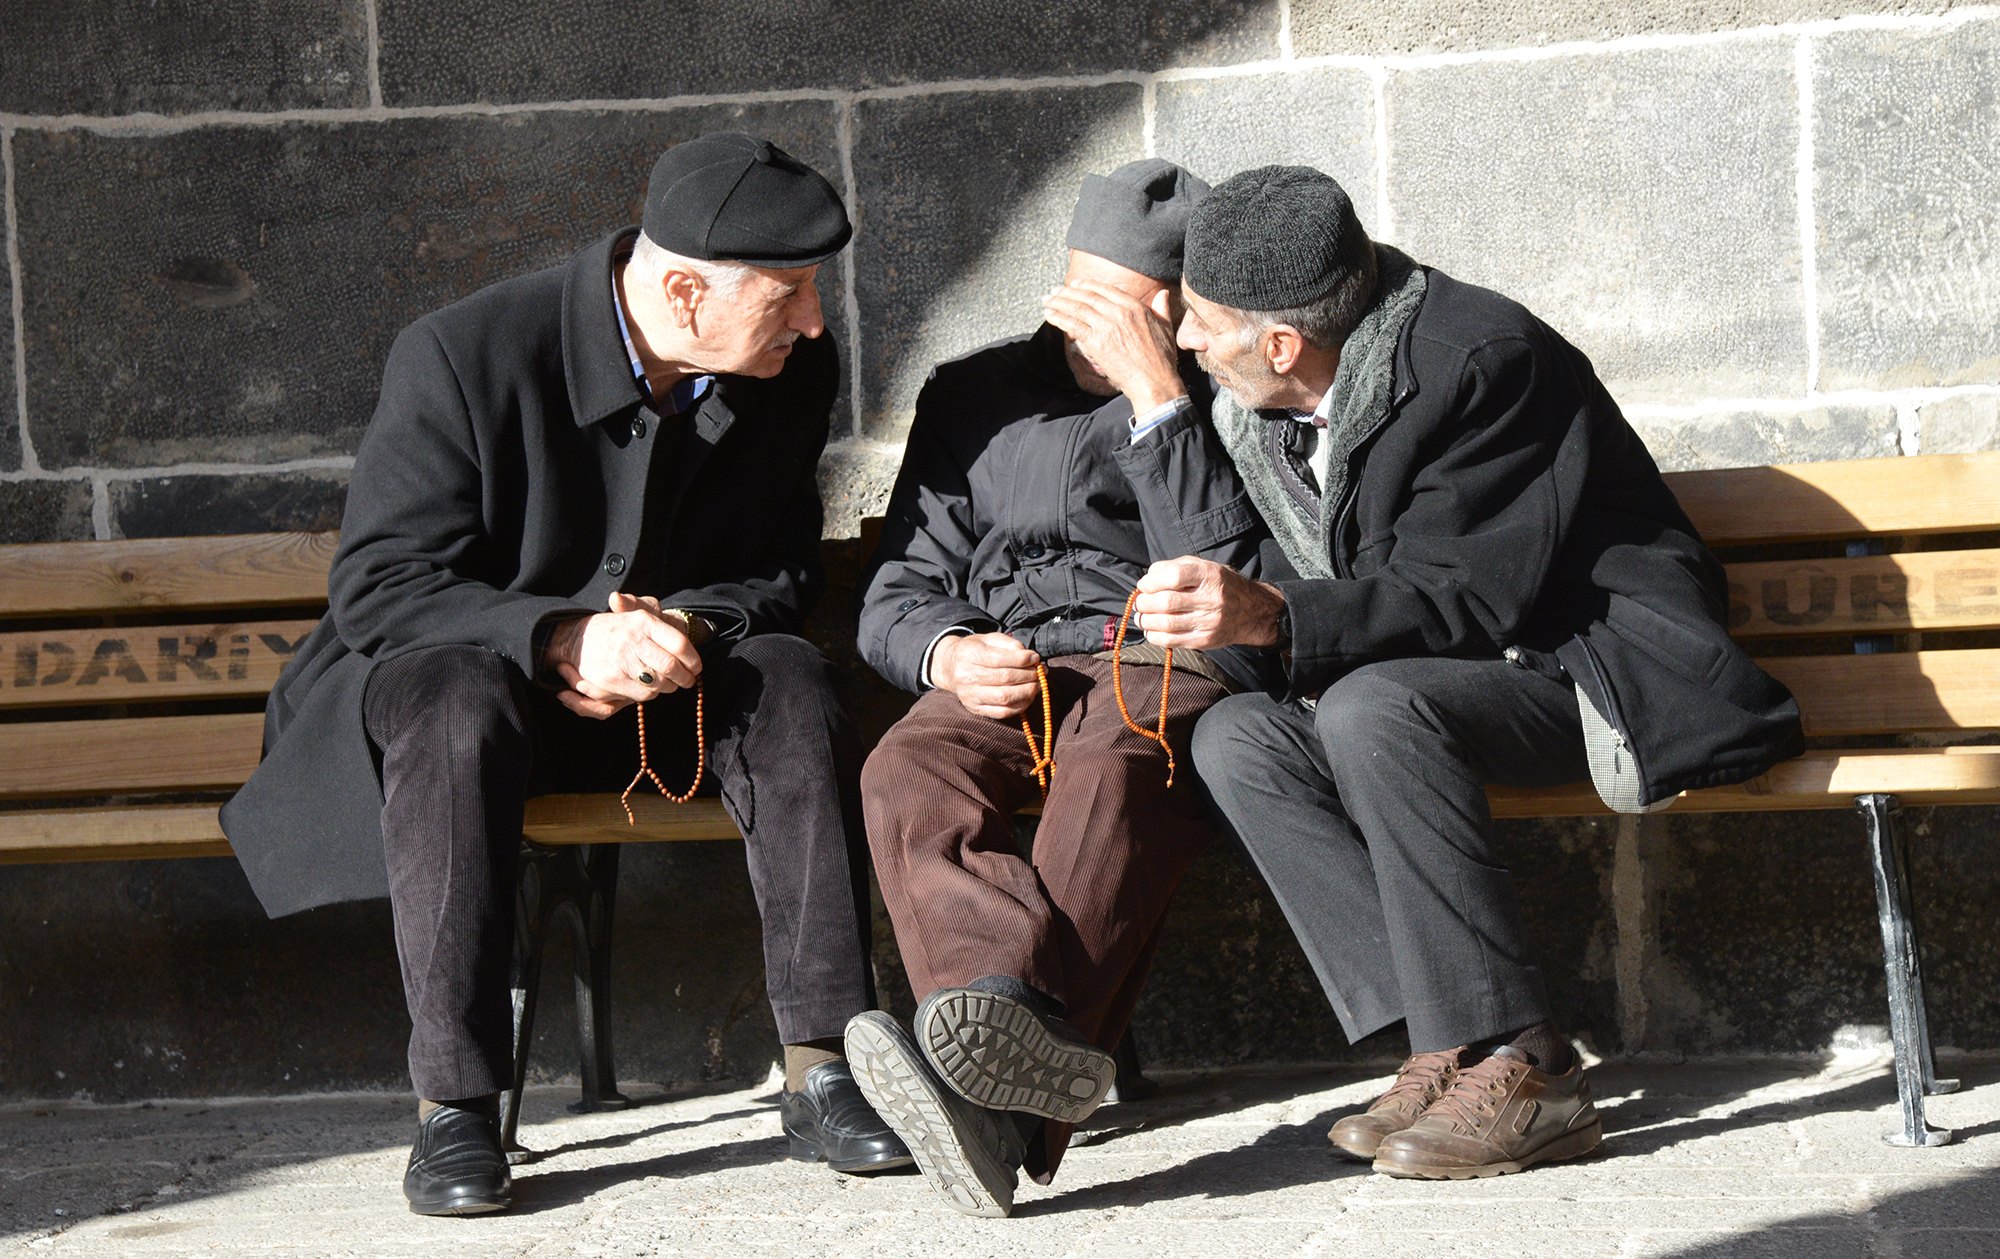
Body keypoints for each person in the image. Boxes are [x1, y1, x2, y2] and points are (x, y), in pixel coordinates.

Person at [219, 133, 910, 1216]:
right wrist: (558, 637)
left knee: (791, 681)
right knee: (454, 701)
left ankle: (821, 1066)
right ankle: (455, 1106)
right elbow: (378, 587)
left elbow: (778, 566)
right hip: (472, 687)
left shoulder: (787, 366)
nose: (816, 321)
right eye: (793, 293)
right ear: (683, 291)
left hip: (666, 693)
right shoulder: (461, 351)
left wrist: (686, 624)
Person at [1129, 166, 1804, 1180]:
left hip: (1591, 662)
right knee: (1240, 737)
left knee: (1374, 705)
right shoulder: (1259, 409)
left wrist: (1273, 612)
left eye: (1199, 323)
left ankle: (1530, 1070)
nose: (1183, 343)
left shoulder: (1478, 359)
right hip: (1439, 677)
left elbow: (1465, 600)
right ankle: (1455, 1038)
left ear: (1280, 343)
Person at [843, 159, 1277, 1218]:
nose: (1082, 322)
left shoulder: (1227, 393)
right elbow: (900, 582)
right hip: (1010, 654)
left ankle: (984, 1105)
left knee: (1115, 765)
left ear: (1176, 310)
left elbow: (1230, 573)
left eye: (1118, 307)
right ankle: (989, 1014)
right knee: (906, 762)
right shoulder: (971, 395)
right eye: (1072, 289)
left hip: (1157, 654)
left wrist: (1159, 399)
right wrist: (945, 648)